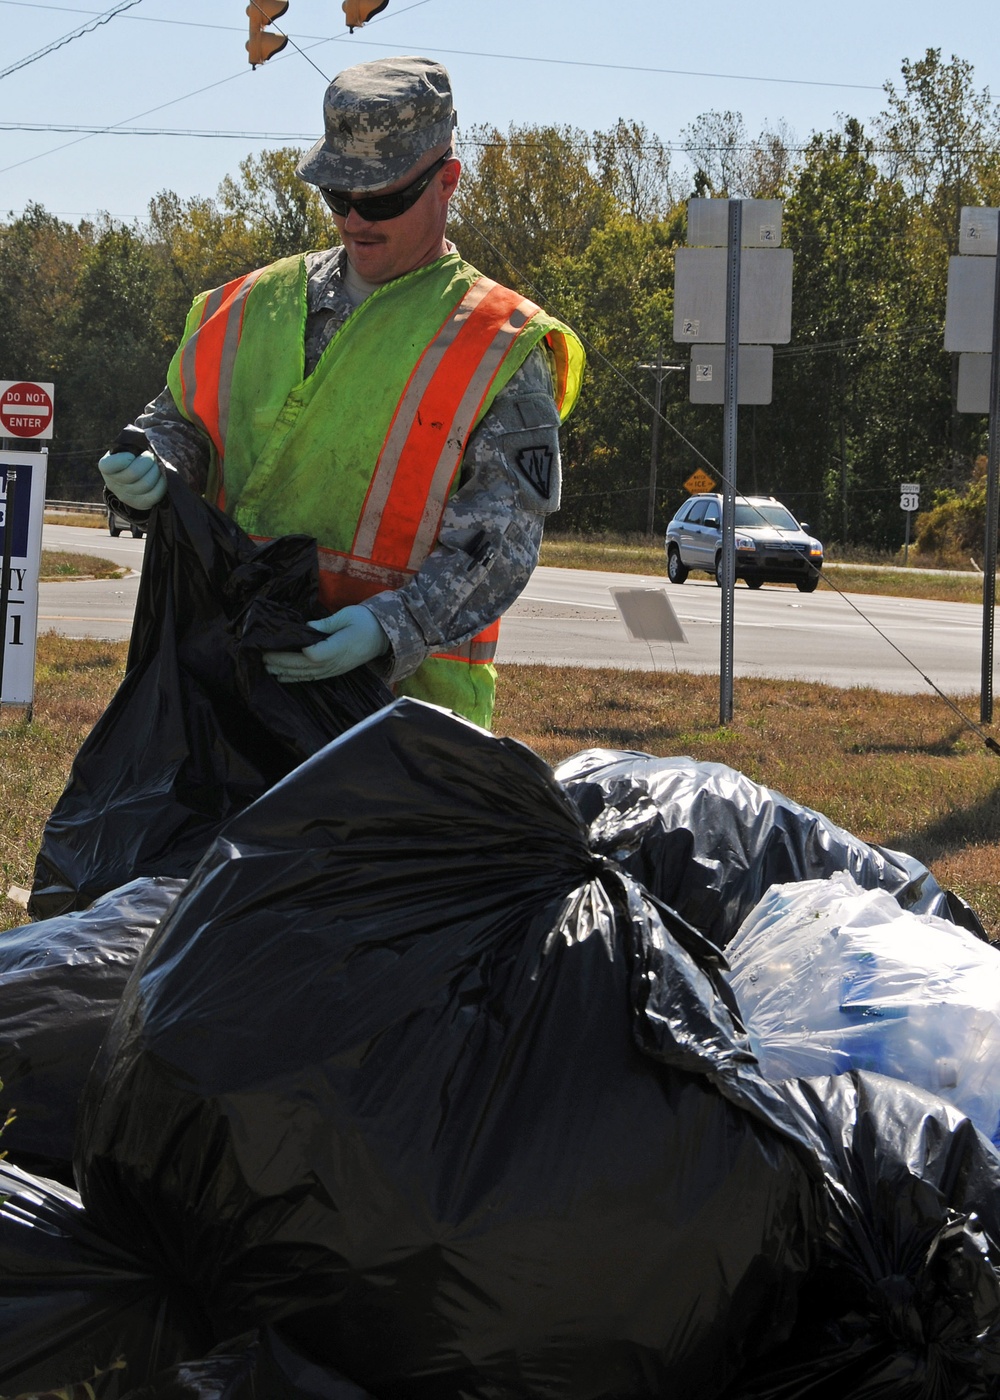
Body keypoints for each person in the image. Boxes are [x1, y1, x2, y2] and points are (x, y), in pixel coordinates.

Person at [99, 55, 584, 729]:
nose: (355, 219)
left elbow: (501, 537)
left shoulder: (497, 345)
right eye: (337, 196)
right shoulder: (249, 306)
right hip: (223, 690)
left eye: (382, 199)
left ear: (448, 182)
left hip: (404, 719)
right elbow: (182, 423)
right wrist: (154, 465)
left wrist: (393, 626)